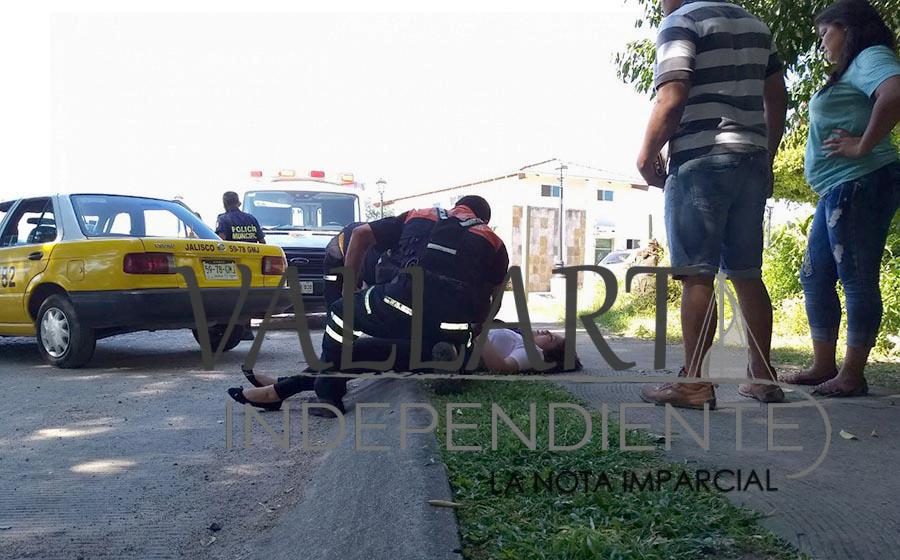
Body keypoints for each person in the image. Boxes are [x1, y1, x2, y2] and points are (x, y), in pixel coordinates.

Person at [635, 0, 788, 408]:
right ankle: (763, 376)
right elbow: (777, 96)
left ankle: (695, 384)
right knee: (747, 272)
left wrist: (647, 153)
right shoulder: (755, 24)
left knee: (696, 274)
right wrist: (766, 155)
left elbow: (673, 94)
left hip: (702, 160)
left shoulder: (681, 21)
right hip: (751, 159)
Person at [229, 195, 510, 413]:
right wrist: (476, 330)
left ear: (457, 207)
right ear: (483, 219)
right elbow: (493, 300)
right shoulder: (493, 242)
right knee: (362, 351)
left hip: (400, 306)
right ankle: (282, 389)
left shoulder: (423, 215)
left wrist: (349, 294)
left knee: (341, 316)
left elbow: (362, 234)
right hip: (450, 336)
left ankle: (320, 392)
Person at [780, 0, 900, 397]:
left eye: (824, 33)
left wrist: (862, 146)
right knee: (814, 277)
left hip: (860, 181)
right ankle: (823, 365)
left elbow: (895, 93)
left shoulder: (870, 56)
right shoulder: (852, 69)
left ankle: (852, 374)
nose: (822, 44)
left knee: (856, 276)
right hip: (839, 188)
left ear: (847, 28)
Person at [228, 328, 580, 411]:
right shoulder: (523, 337)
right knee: (355, 350)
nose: (545, 332)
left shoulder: (529, 354)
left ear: (552, 354)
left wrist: (480, 326)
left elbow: (502, 368)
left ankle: (278, 392)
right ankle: (283, 386)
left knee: (359, 352)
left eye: (552, 338)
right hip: (436, 343)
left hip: (442, 357)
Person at [215, 191, 266, 340]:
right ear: (238, 203)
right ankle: (247, 330)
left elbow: (221, 241)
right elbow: (262, 242)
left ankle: (234, 330)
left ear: (224, 204)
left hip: (233, 265)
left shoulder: (223, 219)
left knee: (232, 298)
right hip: (251, 264)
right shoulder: (251, 218)